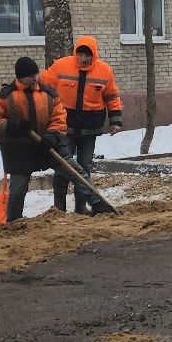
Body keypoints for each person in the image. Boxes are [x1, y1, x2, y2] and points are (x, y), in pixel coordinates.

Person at [41, 35, 124, 214]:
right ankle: (59, 210)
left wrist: (116, 120)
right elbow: (42, 83)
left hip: (90, 128)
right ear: (75, 53)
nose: (84, 58)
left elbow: (111, 96)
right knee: (64, 168)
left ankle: (81, 208)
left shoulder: (104, 71)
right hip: (65, 127)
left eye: (88, 55)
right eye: (80, 54)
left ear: (93, 55)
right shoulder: (61, 66)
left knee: (84, 168)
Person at [0, 56, 68, 221]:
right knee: (18, 190)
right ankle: (14, 222)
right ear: (20, 77)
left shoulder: (48, 93)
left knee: (71, 171)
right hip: (19, 150)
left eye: (36, 74)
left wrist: (53, 135)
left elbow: (59, 117)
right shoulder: (7, 96)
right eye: (30, 76)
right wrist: (14, 126)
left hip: (45, 146)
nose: (35, 78)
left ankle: (65, 212)